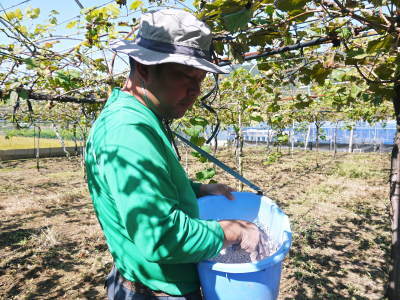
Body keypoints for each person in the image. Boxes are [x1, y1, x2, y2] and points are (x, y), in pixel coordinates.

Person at [85, 8, 264, 300]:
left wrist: (199, 189)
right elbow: (161, 237)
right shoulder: (129, 132)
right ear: (143, 66)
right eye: (184, 76)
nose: (195, 90)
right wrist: (230, 230)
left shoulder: (139, 117)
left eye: (201, 79)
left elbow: (155, 189)